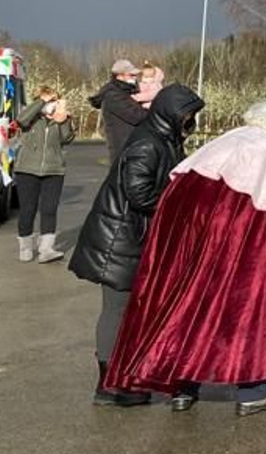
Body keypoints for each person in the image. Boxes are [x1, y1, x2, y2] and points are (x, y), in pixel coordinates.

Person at [104, 102, 266, 416]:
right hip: (238, 225)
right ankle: (254, 392)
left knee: (189, 297)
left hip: (187, 218)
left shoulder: (230, 138)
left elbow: (183, 176)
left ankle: (183, 388)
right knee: (246, 304)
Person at [69, 82, 206, 406]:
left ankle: (121, 379)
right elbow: (139, 193)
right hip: (118, 240)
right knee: (115, 310)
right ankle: (110, 386)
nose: (191, 121)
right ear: (172, 113)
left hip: (129, 237)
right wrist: (179, 201)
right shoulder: (148, 143)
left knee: (126, 310)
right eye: (188, 116)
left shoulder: (164, 138)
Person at [13, 85, 75, 263]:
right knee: (28, 209)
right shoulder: (31, 117)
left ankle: (46, 249)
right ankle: (25, 246)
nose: (51, 104)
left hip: (54, 169)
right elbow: (21, 120)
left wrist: (63, 119)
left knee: (49, 209)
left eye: (54, 100)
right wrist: (42, 101)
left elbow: (66, 139)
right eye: (48, 99)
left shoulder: (61, 118)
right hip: (27, 169)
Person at [88, 58, 146, 163]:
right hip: (123, 150)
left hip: (132, 147)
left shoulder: (126, 93)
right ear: (119, 76)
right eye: (131, 75)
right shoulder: (113, 96)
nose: (135, 78)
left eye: (135, 75)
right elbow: (137, 116)